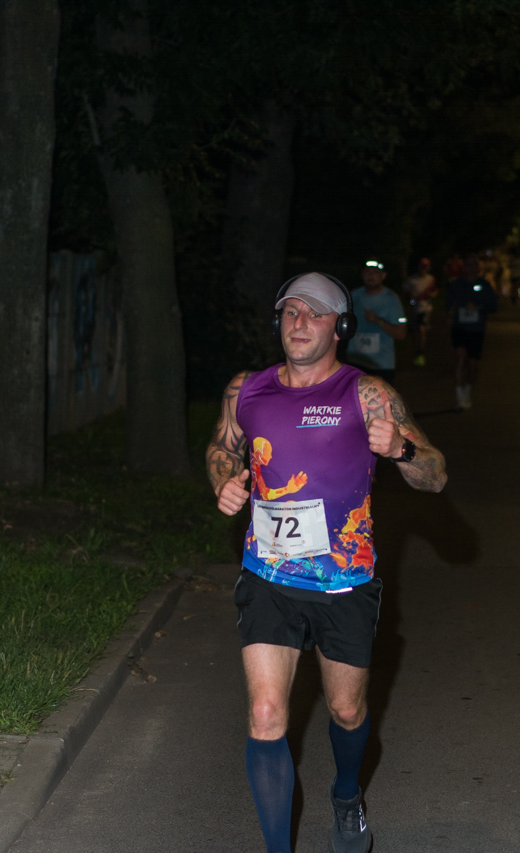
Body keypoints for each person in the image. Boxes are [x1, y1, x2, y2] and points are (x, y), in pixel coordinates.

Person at [207, 272, 447, 853]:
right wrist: (224, 483)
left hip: (343, 582)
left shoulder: (367, 395)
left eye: (314, 314)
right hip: (268, 576)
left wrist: (401, 449)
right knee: (266, 712)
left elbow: (436, 475)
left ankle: (345, 794)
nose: (299, 323)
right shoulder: (246, 390)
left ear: (341, 327)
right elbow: (222, 447)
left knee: (346, 709)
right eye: (290, 312)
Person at [344, 259, 408, 384]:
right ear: (362, 275)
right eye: (367, 272)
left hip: (381, 365)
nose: (371, 276)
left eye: (375, 273)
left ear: (383, 276)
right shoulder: (353, 296)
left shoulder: (392, 299)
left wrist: (378, 321)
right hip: (356, 363)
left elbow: (401, 334)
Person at [447, 252, 498, 410]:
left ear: (478, 267)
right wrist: (452, 311)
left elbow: (493, 306)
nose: (471, 268)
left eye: (474, 264)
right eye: (468, 264)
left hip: (476, 330)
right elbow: (448, 305)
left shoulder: (485, 285)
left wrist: (479, 307)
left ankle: (467, 391)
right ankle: (459, 398)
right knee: (461, 358)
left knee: (473, 365)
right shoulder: (456, 284)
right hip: (459, 328)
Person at [402, 258, 438, 366]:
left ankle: (420, 353)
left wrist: (432, 295)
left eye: (426, 266)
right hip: (414, 309)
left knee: (422, 329)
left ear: (429, 268)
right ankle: (416, 351)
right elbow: (404, 292)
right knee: (415, 332)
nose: (423, 268)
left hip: (426, 308)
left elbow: (435, 291)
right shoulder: (412, 280)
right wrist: (409, 297)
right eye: (422, 266)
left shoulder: (431, 279)